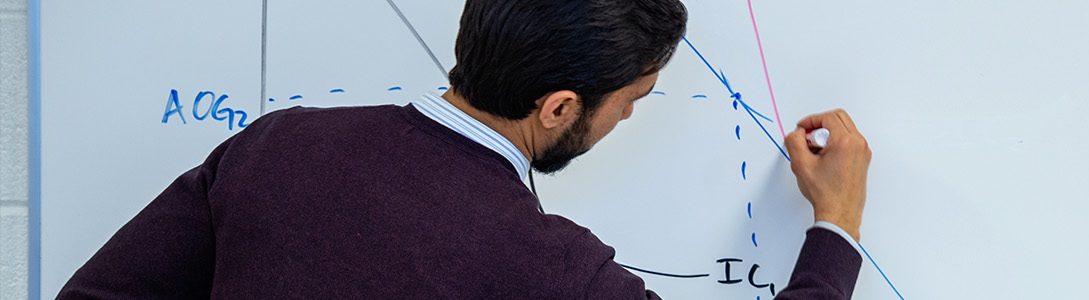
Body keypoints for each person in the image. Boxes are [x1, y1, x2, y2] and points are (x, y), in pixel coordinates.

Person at [58, 0, 872, 298]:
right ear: (559, 108)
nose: (628, 122)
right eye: (632, 103)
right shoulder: (553, 272)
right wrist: (834, 223)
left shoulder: (274, 147)